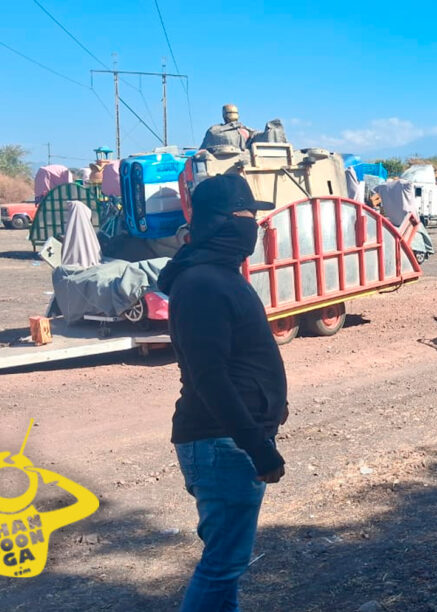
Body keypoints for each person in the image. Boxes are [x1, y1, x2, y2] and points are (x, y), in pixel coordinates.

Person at [157, 174, 288, 610]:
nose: (255, 225)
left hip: (230, 440)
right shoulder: (202, 284)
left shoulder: (220, 275)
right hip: (222, 443)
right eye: (247, 216)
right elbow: (209, 376)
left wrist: (274, 406)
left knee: (228, 563)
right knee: (222, 565)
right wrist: (258, 447)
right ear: (221, 222)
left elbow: (240, 357)